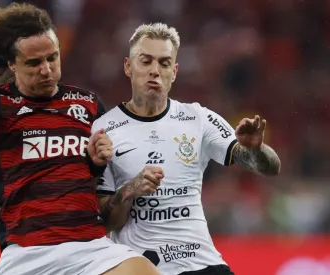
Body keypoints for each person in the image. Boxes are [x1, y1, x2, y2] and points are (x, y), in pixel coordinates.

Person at [0, 3, 159, 275]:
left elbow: (109, 215)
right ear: (12, 64)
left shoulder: (89, 105)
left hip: (90, 248)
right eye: (34, 63)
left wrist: (104, 172)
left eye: (52, 58)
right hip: (27, 253)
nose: (46, 69)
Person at [92, 22, 281, 275]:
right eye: (146, 61)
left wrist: (257, 150)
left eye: (164, 63)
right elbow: (103, 223)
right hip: (146, 268)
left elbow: (269, 168)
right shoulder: (103, 130)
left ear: (175, 71)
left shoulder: (197, 118)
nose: (155, 71)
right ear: (128, 66)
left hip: (204, 264)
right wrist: (127, 192)